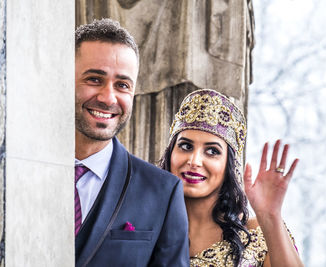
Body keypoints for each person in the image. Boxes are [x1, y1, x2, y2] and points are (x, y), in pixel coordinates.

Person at [74, 19, 189, 267]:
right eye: (94, 79)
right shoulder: (11, 170)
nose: (108, 98)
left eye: (123, 85)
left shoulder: (163, 192)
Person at [160, 89, 304, 267]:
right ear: (170, 155)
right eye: (186, 146)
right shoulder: (146, 225)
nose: (194, 161)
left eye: (212, 151)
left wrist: (270, 217)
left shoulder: (257, 234)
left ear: (229, 166)